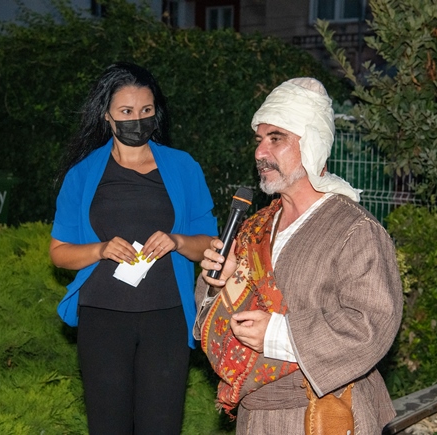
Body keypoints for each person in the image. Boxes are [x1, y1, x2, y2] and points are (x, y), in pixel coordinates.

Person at [194, 77, 403, 434]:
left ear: (312, 144)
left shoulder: (354, 230)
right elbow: (212, 317)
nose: (260, 152)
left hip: (320, 415)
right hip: (255, 416)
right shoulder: (254, 227)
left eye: (276, 138)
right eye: (259, 140)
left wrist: (278, 333)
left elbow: (371, 324)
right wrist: (221, 284)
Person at [50, 61, 218, 434]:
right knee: (108, 425)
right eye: (126, 111)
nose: (137, 120)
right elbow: (59, 252)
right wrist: (100, 250)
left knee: (162, 425)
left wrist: (177, 241)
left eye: (146, 110)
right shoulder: (83, 174)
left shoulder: (184, 167)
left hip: (167, 318)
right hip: (102, 318)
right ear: (106, 116)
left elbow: (210, 244)